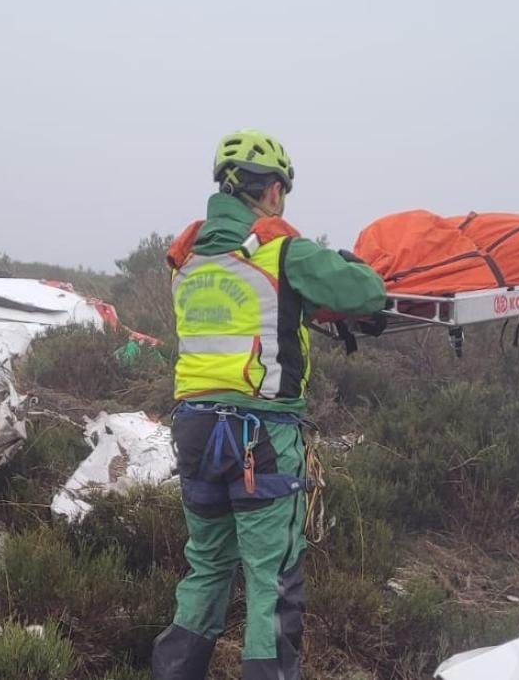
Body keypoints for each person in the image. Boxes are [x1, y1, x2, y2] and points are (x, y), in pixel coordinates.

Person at [152, 130, 386, 680]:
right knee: (271, 580)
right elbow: (367, 293)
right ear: (273, 192)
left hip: (193, 429)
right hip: (260, 439)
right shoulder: (284, 250)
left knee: (207, 567)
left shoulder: (186, 258)